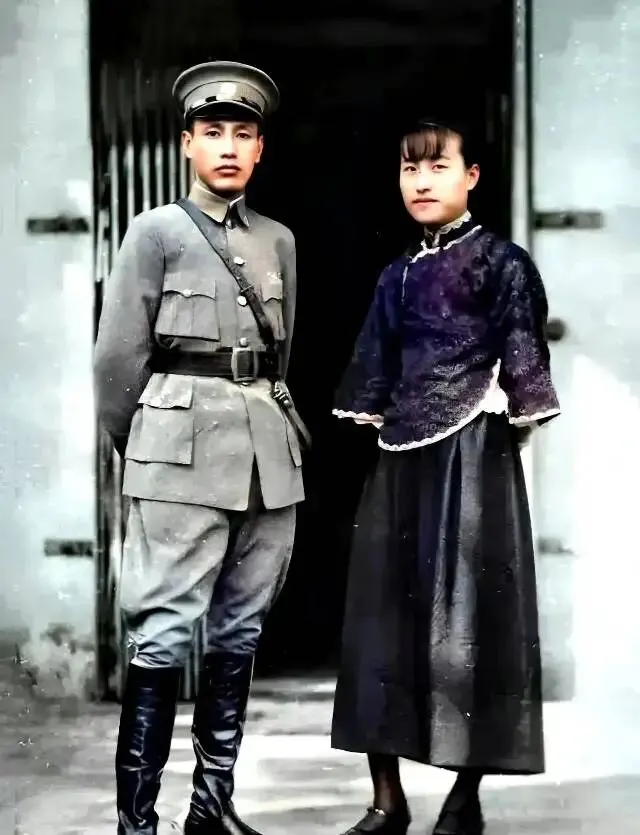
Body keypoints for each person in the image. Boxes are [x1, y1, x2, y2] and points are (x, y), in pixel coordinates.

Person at [330, 115, 560, 835]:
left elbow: (524, 360)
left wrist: (501, 431)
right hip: (401, 458)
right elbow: (373, 367)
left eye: (438, 167)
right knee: (379, 619)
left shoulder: (503, 263)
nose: (422, 182)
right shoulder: (395, 274)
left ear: (471, 177)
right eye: (410, 169)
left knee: (472, 617)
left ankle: (465, 799)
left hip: (475, 454)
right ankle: (386, 800)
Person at [94, 61, 306, 835]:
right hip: (177, 457)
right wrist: (147, 448)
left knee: (239, 631)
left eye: (242, 134)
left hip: (266, 462)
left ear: (260, 149)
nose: (227, 147)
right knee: (161, 634)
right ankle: (137, 824)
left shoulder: (278, 240)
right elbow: (116, 360)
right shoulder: (156, 231)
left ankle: (209, 810)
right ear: (186, 143)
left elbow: (281, 353)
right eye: (212, 132)